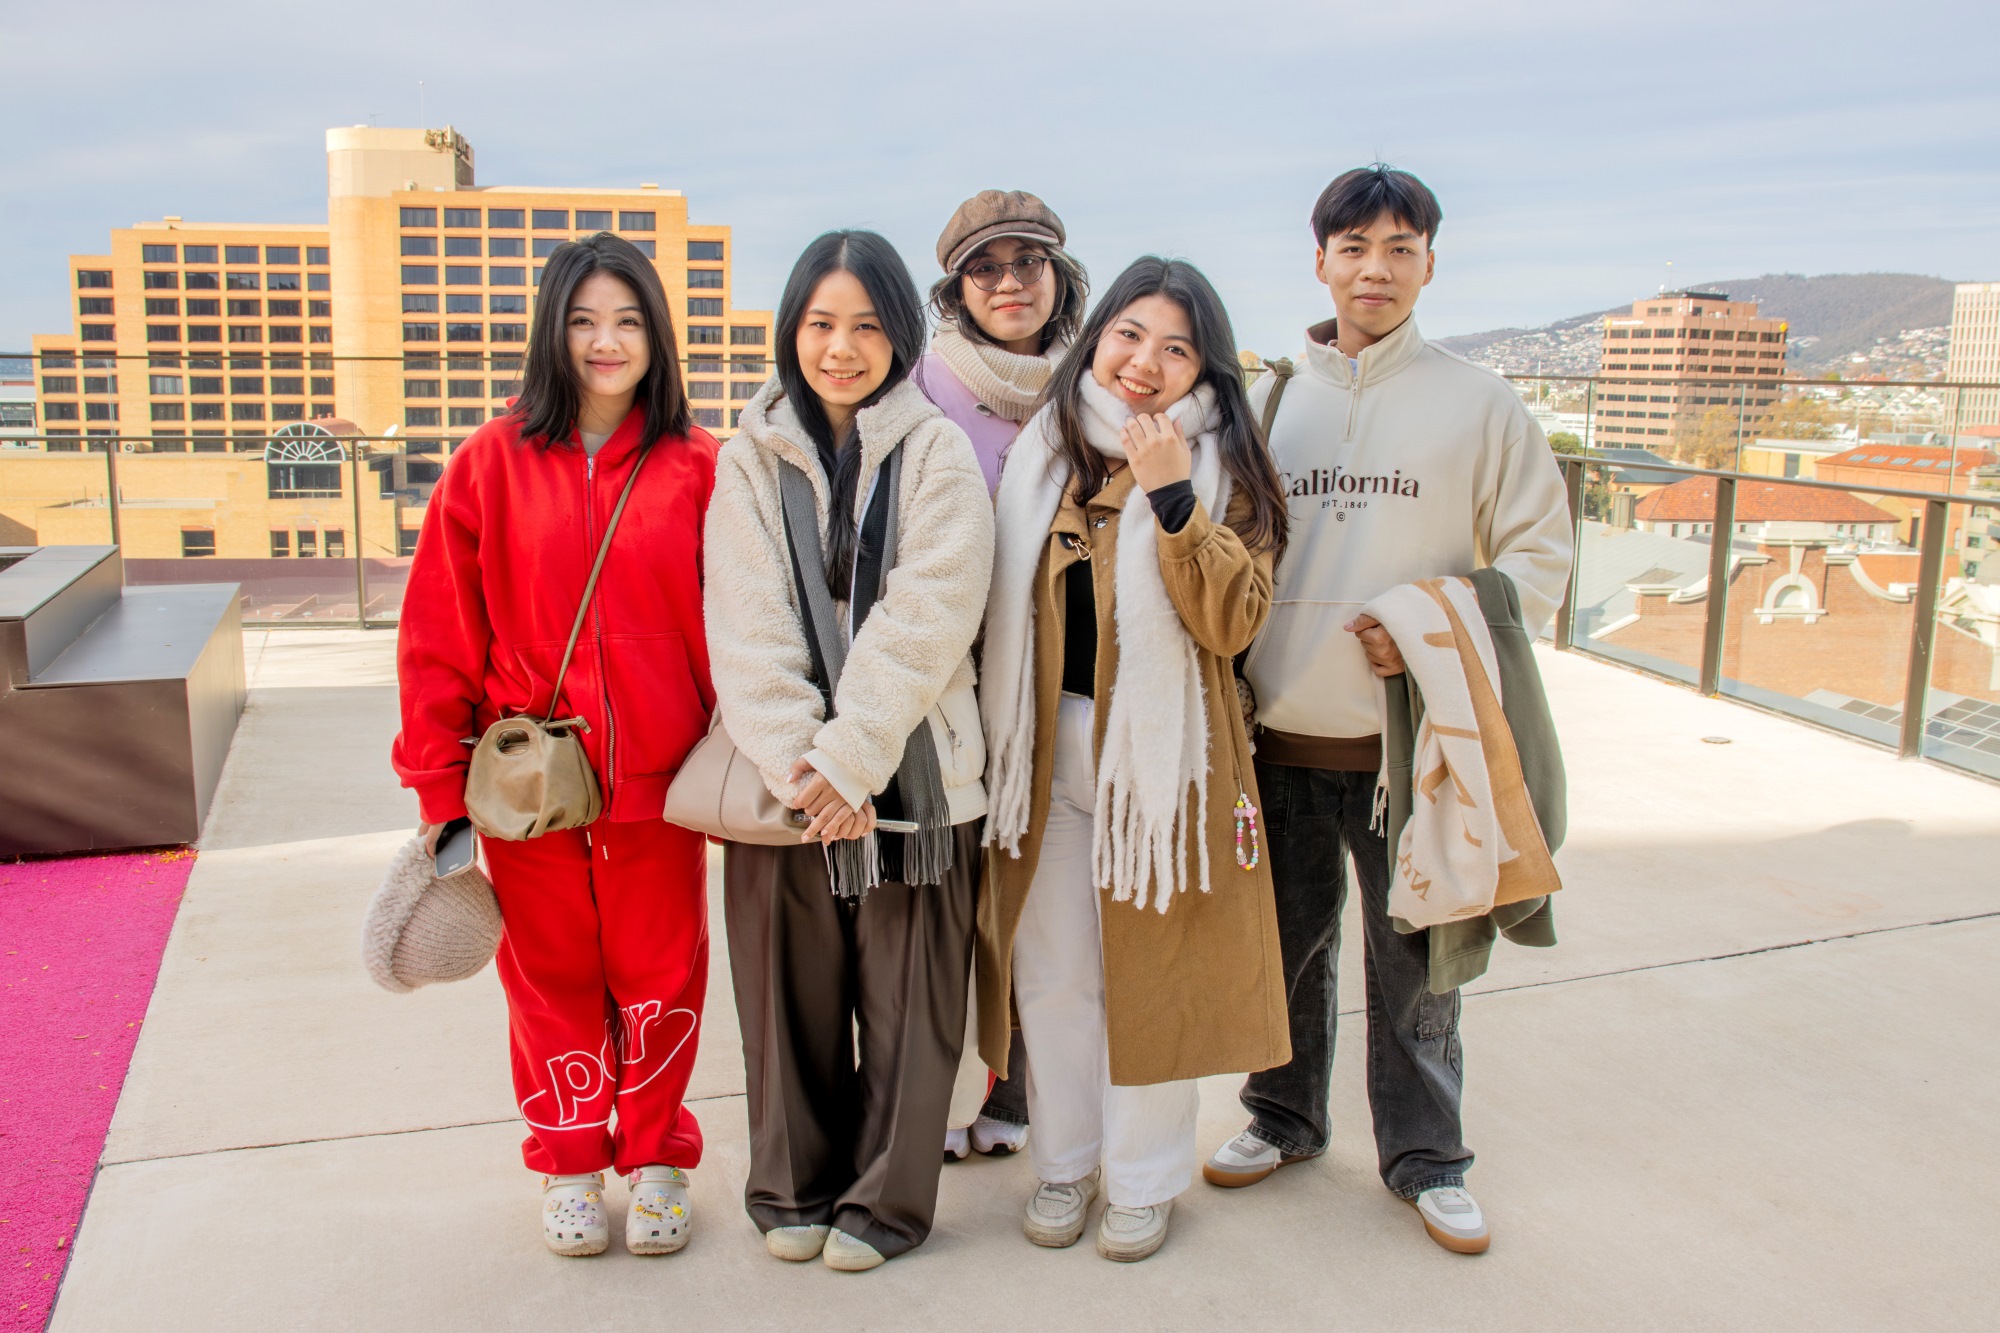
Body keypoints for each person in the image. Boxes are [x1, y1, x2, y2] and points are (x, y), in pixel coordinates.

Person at [1204, 165, 1575, 1256]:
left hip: (1411, 747)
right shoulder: (1263, 403)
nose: (1374, 267)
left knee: (1417, 962)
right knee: (1285, 947)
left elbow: (1539, 559)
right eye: (1353, 245)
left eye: (1399, 247)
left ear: (1428, 263)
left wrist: (1424, 622)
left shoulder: (1478, 403)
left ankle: (1426, 1158)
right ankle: (1281, 1117)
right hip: (1276, 734)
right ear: (1317, 258)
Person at [392, 233, 718, 1258]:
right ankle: (570, 1159)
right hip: (526, 785)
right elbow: (438, 632)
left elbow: (740, 624)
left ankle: (656, 1152)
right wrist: (438, 785)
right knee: (547, 975)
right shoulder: (488, 462)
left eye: (625, 320)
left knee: (662, 971)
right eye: (582, 321)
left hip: (660, 785)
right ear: (552, 332)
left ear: (656, 335)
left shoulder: (700, 465)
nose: (604, 342)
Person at [978, 256, 1292, 1263]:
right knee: (1057, 975)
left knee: (1153, 974)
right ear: (1096, 334)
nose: (1143, 364)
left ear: (1205, 368)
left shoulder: (1219, 463)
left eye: (1175, 348)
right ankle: (1065, 1165)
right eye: (1128, 335)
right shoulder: (1043, 446)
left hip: (1157, 761)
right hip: (1042, 746)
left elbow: (1234, 619)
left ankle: (1145, 1179)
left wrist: (1170, 501)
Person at [704, 230, 994, 1273]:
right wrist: (805, 768)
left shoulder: (936, 451)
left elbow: (933, 609)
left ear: (899, 336)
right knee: (786, 1000)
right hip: (789, 790)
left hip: (913, 778)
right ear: (790, 330)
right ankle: (790, 1188)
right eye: (821, 323)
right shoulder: (746, 455)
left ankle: (884, 1203)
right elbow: (746, 625)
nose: (840, 347)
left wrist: (853, 758)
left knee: (911, 1006)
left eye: (866, 325)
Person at [913, 188, 1089, 1161]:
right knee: (946, 904)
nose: (1010, 281)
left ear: (1057, 275)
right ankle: (939, 1098)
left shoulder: (1090, 386)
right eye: (986, 266)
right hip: (948, 682)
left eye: (1028, 261)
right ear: (956, 288)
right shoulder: (920, 383)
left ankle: (1014, 1095)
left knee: (1031, 899)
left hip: (1053, 681)